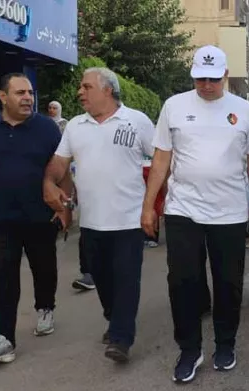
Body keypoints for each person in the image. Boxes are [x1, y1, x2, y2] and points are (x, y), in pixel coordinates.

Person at [142, 45, 249, 384]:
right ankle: (189, 350)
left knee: (228, 283)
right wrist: (148, 206)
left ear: (225, 75)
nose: (206, 85)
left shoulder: (243, 110)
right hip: (183, 209)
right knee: (183, 282)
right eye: (200, 79)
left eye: (213, 79)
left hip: (230, 212)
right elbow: (161, 159)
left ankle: (225, 344)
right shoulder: (174, 106)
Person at [43, 67, 155, 363]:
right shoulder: (75, 126)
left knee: (127, 280)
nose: (80, 92)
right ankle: (114, 318)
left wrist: (152, 206)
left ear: (107, 90)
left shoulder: (137, 121)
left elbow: (160, 161)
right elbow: (59, 163)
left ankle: (121, 338)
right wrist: (50, 182)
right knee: (103, 280)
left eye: (86, 87)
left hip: (129, 221)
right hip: (91, 222)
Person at [0, 73, 66, 365]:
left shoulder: (47, 129)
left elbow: (62, 169)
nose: (28, 98)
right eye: (20, 93)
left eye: (30, 92)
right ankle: (3, 337)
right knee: (1, 274)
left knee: (44, 267)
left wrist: (64, 206)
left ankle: (45, 307)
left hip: (39, 215)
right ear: (3, 97)